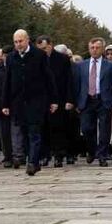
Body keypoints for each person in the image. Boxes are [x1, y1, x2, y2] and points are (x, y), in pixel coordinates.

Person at [2, 29, 57, 176]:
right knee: (24, 132)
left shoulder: (39, 55)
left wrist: (53, 100)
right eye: (15, 42)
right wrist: (5, 103)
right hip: (18, 101)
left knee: (34, 132)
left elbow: (48, 78)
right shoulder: (12, 57)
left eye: (20, 41)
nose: (18, 44)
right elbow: (7, 81)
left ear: (27, 40)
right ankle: (33, 160)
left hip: (36, 100)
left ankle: (32, 162)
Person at [73, 38, 112, 166]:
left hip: (103, 100)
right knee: (87, 128)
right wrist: (76, 102)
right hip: (86, 100)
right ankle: (92, 150)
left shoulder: (109, 65)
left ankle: (103, 155)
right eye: (92, 47)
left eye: (97, 47)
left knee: (104, 129)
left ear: (102, 49)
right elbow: (77, 85)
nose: (94, 50)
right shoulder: (81, 65)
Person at [36, 35, 73, 167]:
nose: (43, 51)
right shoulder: (36, 59)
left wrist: (69, 99)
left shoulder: (62, 59)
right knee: (43, 128)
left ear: (51, 45)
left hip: (60, 98)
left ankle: (59, 155)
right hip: (42, 99)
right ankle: (44, 155)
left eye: (45, 48)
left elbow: (69, 80)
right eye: (40, 48)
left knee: (58, 128)